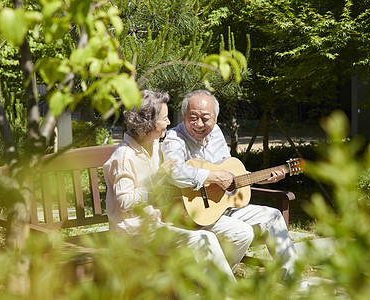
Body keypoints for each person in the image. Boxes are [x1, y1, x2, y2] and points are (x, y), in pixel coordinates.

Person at [161, 90, 308, 286]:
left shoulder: (216, 134)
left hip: (222, 208)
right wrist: (212, 177)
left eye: (205, 118)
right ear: (183, 115)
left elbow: (229, 171)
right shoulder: (174, 138)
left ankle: (296, 281)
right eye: (192, 117)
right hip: (190, 213)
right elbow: (175, 172)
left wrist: (261, 179)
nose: (198, 124)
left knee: (273, 216)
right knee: (243, 232)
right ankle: (213, 282)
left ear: (215, 117)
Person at [103, 90, 236, 282]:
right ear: (147, 123)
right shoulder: (124, 157)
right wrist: (157, 179)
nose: (168, 123)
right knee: (203, 239)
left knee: (222, 234)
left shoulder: (155, 146)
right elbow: (124, 202)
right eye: (164, 118)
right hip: (133, 232)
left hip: (160, 223)